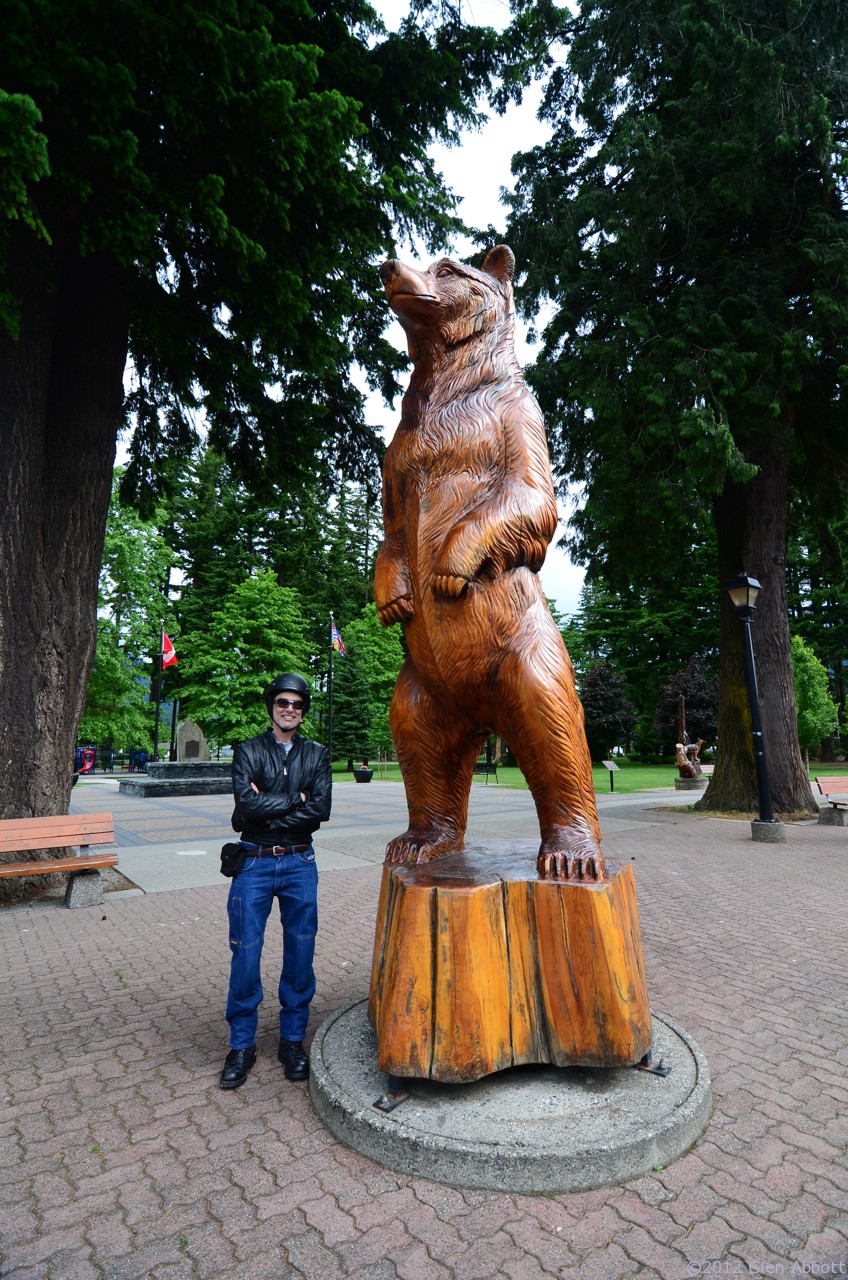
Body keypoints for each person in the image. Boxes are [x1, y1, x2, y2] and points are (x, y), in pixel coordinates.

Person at [220, 673, 332, 1090]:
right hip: (254, 862)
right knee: (245, 952)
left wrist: (269, 806)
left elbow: (320, 810)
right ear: (271, 706)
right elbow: (245, 806)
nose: (289, 709)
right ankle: (242, 1044)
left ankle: (292, 1040)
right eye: (283, 702)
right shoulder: (247, 750)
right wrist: (295, 800)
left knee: (301, 952)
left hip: (301, 861)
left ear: (303, 711)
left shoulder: (317, 754)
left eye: (297, 704)